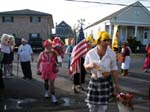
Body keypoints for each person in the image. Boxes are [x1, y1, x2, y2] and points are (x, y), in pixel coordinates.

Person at [84, 31, 119, 112]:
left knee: (103, 108)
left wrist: (117, 84)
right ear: (99, 41)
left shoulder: (111, 53)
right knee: (91, 107)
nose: (108, 42)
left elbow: (114, 69)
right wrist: (90, 65)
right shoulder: (90, 53)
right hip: (94, 82)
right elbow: (85, 67)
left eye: (108, 40)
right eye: (105, 40)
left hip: (106, 82)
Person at [37, 39, 58, 104]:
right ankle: (46, 91)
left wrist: (57, 66)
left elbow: (59, 61)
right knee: (46, 82)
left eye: (50, 46)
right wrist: (38, 69)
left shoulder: (54, 53)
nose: (49, 47)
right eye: (47, 46)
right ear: (45, 46)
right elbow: (38, 62)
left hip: (52, 70)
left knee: (52, 83)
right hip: (44, 70)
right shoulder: (42, 53)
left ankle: (53, 96)